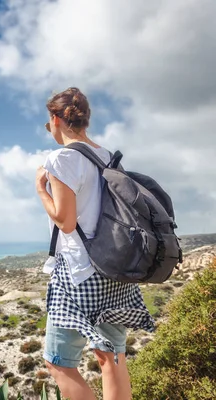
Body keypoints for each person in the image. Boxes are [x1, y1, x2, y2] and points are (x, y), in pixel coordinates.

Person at [35, 87, 155, 400]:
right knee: (112, 356)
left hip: (79, 272)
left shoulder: (61, 159)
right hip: (114, 269)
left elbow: (66, 220)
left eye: (50, 124)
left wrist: (41, 190)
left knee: (58, 362)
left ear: (56, 120)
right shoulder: (107, 157)